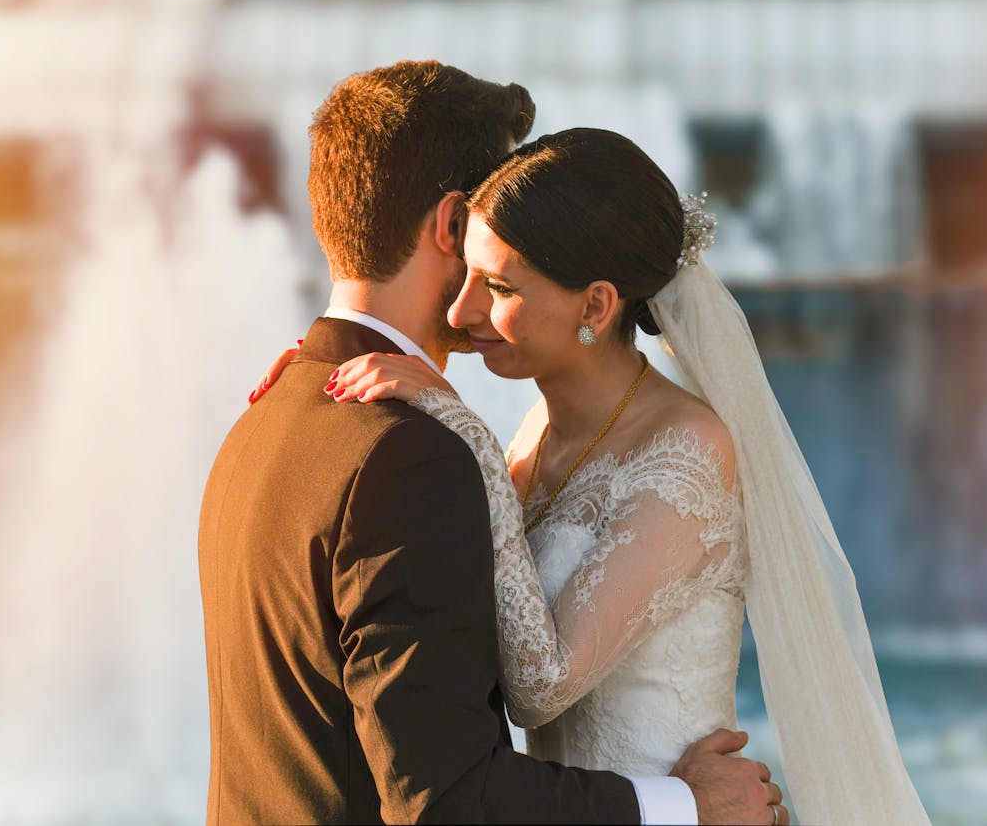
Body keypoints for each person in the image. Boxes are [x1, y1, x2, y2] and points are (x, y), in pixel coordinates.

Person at [284, 127, 931, 825]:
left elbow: (539, 684)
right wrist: (315, 381)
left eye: (498, 285)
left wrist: (465, 432)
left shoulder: (689, 448)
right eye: (465, 272)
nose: (459, 309)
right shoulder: (534, 433)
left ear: (595, 306)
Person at [200, 61, 782, 825]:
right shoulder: (413, 452)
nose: (478, 299)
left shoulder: (267, 417)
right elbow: (444, 794)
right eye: (483, 243)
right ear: (453, 225)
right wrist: (680, 806)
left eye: (503, 276)